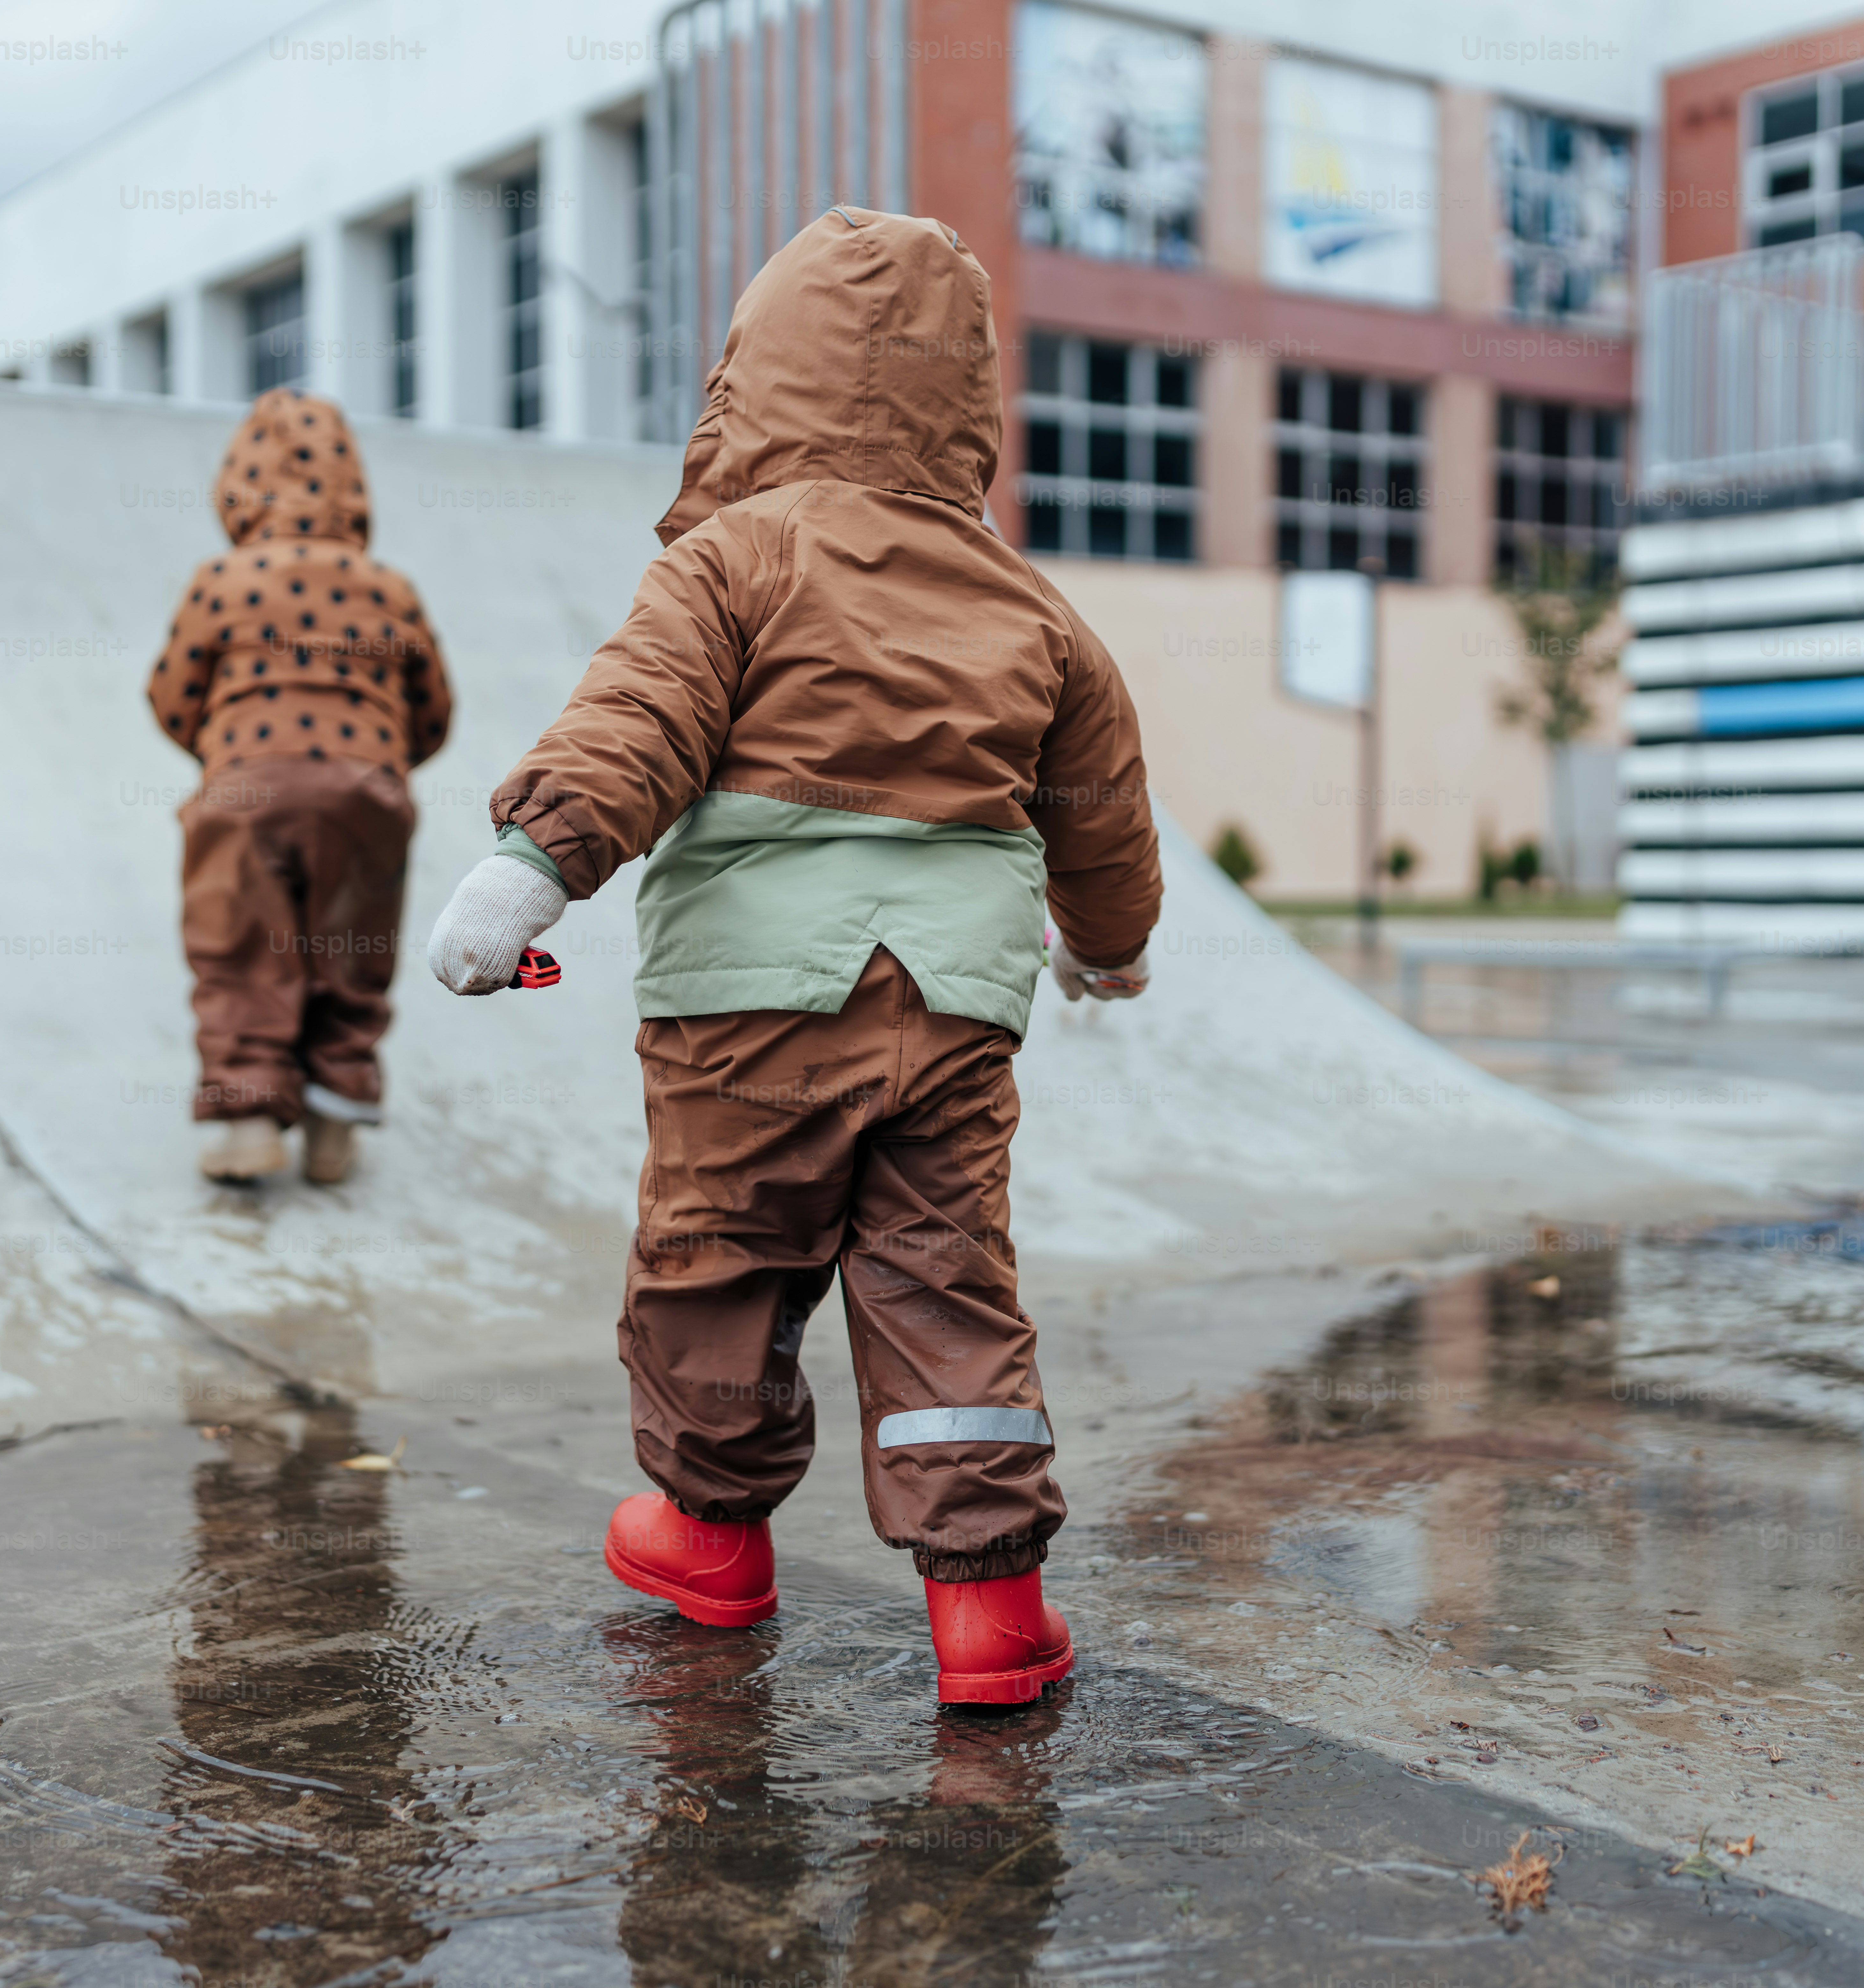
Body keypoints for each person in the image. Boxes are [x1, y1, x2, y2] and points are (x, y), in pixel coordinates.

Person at [423, 207, 1160, 1705]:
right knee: (945, 1281)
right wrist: (1109, 947)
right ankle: (993, 1610)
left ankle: (709, 1536)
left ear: (749, 383)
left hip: (746, 1007)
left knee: (719, 1257)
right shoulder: (1033, 609)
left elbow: (633, 723)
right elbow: (1100, 808)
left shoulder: (736, 557)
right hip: (955, 1007)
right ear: (970, 411)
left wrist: (528, 868)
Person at [148, 389, 452, 1187]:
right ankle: (332, 1129)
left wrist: (229, 755)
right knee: (351, 949)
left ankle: (249, 1119)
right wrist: (372, 766)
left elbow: (172, 697)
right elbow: (433, 711)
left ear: (241, 487)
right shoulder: (392, 587)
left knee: (243, 944)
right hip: (367, 794)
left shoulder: (220, 581)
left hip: (246, 789)